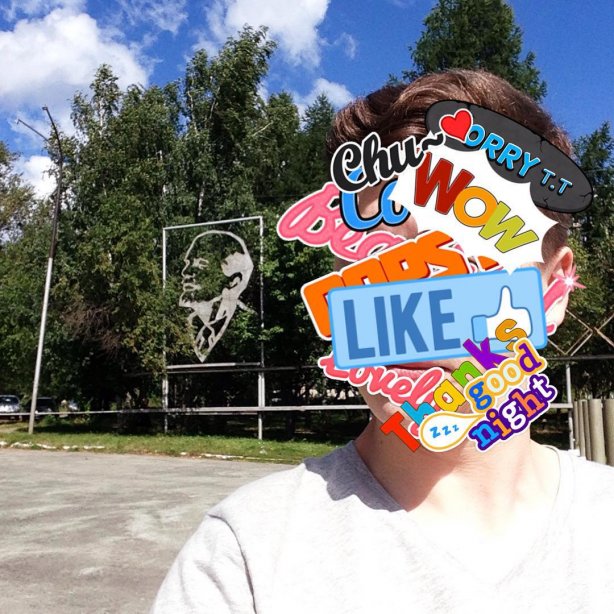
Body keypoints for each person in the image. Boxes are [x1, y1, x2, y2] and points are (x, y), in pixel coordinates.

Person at [151, 70, 614, 613]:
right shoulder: (244, 558)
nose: (418, 308)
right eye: (380, 265)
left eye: (466, 263)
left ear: (552, 293)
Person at [179, 230, 254, 362]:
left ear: (234, 280)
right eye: (187, 264)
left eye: (200, 264)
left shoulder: (250, 323)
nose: (186, 272)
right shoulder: (183, 319)